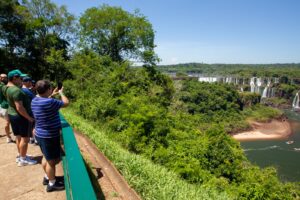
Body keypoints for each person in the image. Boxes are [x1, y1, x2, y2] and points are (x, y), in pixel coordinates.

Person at [31, 80, 69, 192]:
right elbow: (66, 103)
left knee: (46, 157)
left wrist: (51, 94)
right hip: (49, 136)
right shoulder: (50, 102)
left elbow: (44, 99)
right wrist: (61, 93)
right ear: (47, 90)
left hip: (39, 133)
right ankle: (52, 184)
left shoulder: (34, 100)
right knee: (51, 162)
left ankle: (48, 177)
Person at [5, 69, 37, 166]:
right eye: (20, 78)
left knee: (18, 137)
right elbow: (19, 107)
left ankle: (21, 155)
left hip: (13, 115)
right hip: (21, 117)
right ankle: (23, 160)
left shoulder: (8, 88)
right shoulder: (16, 90)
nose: (22, 80)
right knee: (25, 139)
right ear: (15, 78)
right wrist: (29, 117)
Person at [22, 76, 36, 144]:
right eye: (30, 82)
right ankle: (35, 139)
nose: (32, 83)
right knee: (33, 125)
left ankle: (31, 138)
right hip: (30, 110)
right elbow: (35, 99)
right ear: (27, 82)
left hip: (26, 110)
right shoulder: (26, 90)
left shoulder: (21, 89)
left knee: (30, 125)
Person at [0, 73, 13, 143]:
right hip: (5, 106)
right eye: (3, 77)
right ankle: (8, 137)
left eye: (6, 77)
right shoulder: (4, 87)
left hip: (1, 105)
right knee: (7, 122)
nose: (5, 79)